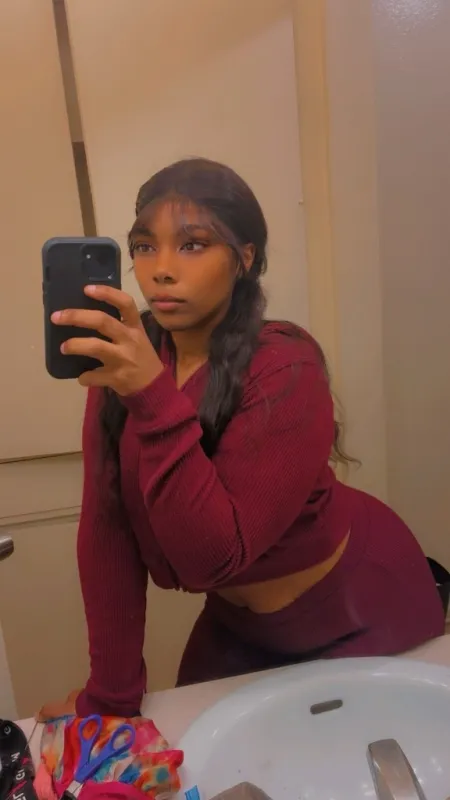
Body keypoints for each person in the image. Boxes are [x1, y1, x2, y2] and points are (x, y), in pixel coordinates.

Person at [39, 158, 444, 721]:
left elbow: (216, 557)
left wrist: (150, 394)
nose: (160, 270)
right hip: (238, 626)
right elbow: (107, 529)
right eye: (144, 246)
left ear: (245, 257)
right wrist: (110, 698)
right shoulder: (129, 360)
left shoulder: (285, 365)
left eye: (193, 244)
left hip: (358, 607)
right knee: (194, 750)